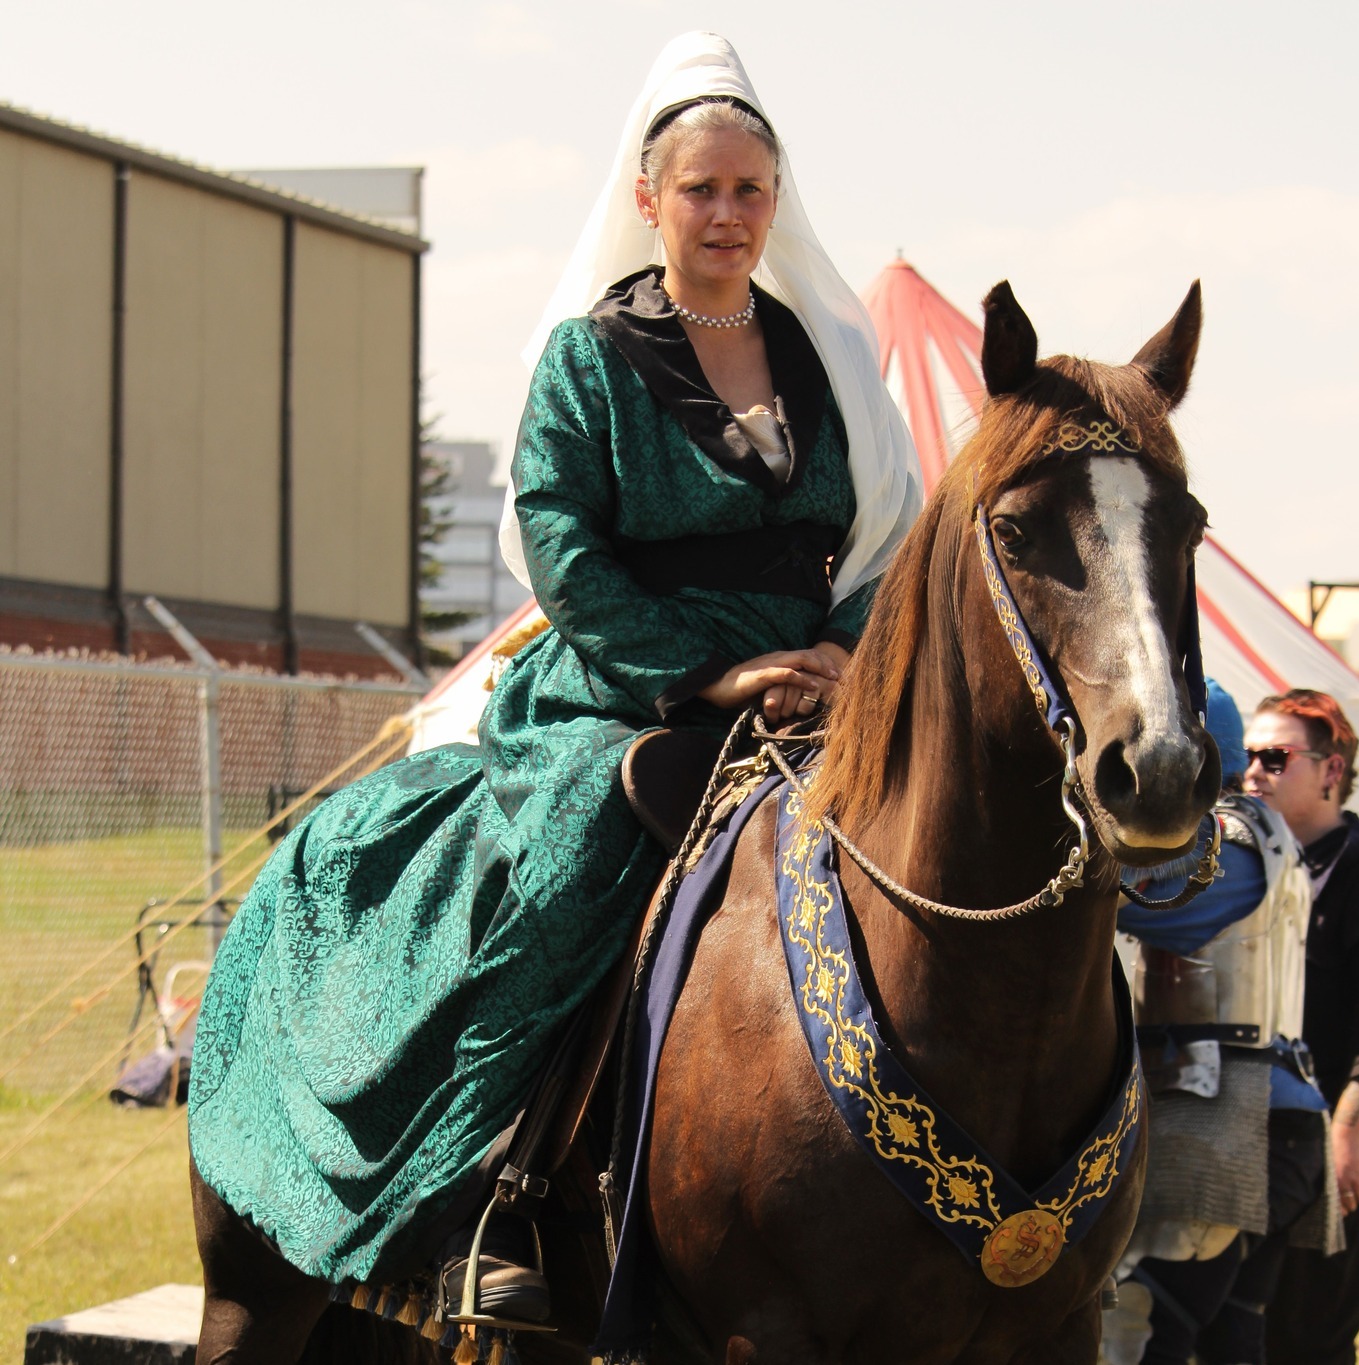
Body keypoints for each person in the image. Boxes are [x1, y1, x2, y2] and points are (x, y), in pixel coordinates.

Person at [187, 30, 921, 1331]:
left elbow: (876, 535)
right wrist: (712, 672)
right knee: (583, 833)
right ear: (649, 198)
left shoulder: (828, 360)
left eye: (750, 191)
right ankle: (502, 1193)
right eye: (702, 189)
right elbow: (564, 555)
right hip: (625, 692)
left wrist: (849, 656)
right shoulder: (593, 359)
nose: (728, 215)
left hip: (819, 693)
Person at [1103, 679, 1331, 1365]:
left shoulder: (1221, 844)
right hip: (1272, 1116)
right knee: (1231, 1339)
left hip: (1225, 1115)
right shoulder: (1269, 837)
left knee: (1143, 1332)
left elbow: (1104, 897)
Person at [1248, 690, 1359, 1365]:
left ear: (1329, 770)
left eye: (1274, 755)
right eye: (1247, 757)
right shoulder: (1251, 864)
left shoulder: (1356, 864)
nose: (1252, 772)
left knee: (1308, 1337)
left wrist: (1349, 1131)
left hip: (1339, 1145)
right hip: (1267, 1141)